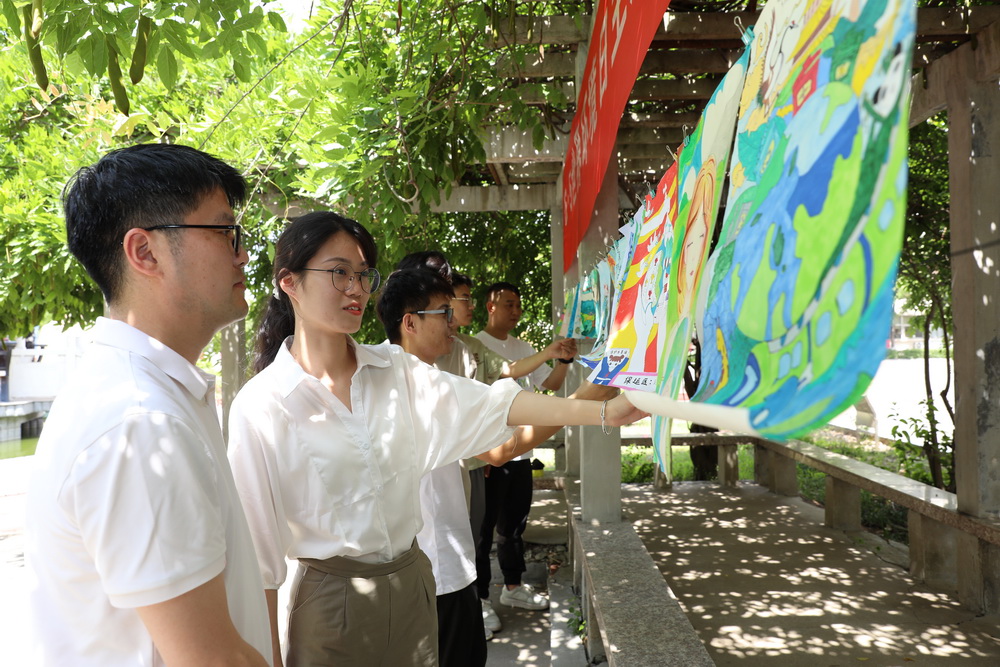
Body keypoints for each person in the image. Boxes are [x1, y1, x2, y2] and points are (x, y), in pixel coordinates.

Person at [227, 213, 645, 667]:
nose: (356, 288)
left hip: (413, 585)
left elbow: (497, 405)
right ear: (289, 282)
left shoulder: (395, 371)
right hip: (329, 607)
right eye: (339, 272)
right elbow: (258, 564)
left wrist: (604, 412)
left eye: (363, 274)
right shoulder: (262, 404)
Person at [24, 144, 271, 666]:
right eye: (224, 232)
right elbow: (212, 660)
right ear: (145, 252)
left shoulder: (143, 395)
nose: (243, 254)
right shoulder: (140, 423)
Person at [474, 281, 572, 617]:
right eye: (508, 304)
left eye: (518, 305)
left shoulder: (524, 346)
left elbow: (551, 383)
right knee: (482, 530)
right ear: (490, 306)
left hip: (521, 453)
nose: (516, 311)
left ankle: (513, 588)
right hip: (489, 455)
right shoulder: (475, 346)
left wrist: (565, 360)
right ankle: (481, 600)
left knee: (513, 527)